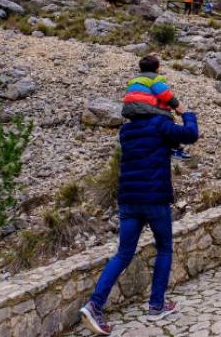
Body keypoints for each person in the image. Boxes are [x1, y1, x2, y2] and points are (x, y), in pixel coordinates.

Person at [79, 103, 199, 335]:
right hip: (155, 199)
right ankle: (156, 305)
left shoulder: (126, 131)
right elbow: (191, 135)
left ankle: (94, 305)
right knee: (164, 248)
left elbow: (151, 147)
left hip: (128, 200)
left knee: (123, 254)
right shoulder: (161, 124)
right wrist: (186, 113)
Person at [121, 54, 190, 160]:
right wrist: (177, 106)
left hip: (129, 109)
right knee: (168, 120)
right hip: (146, 109)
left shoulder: (134, 80)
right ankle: (175, 149)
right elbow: (165, 95)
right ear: (157, 68)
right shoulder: (155, 79)